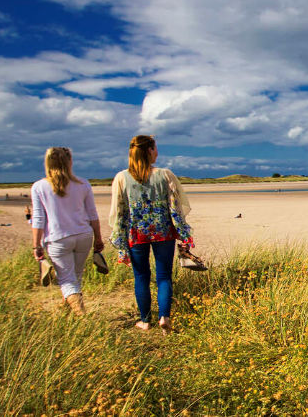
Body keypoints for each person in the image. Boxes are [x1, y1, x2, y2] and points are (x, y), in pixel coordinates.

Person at [109, 135, 193, 331]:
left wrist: (120, 238)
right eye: (155, 148)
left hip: (136, 234)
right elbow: (176, 207)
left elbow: (119, 212)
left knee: (141, 277)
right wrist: (182, 231)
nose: (157, 152)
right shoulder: (165, 175)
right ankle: (164, 317)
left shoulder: (121, 178)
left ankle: (145, 320)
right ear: (148, 150)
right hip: (163, 233)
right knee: (164, 276)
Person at [30, 147, 103, 315]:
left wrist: (36, 246)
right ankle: (68, 313)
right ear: (70, 162)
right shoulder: (83, 184)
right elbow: (93, 215)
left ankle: (81, 316)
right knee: (75, 278)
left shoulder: (39, 187)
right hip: (84, 235)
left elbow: (38, 219)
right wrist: (98, 239)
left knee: (67, 280)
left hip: (58, 239)